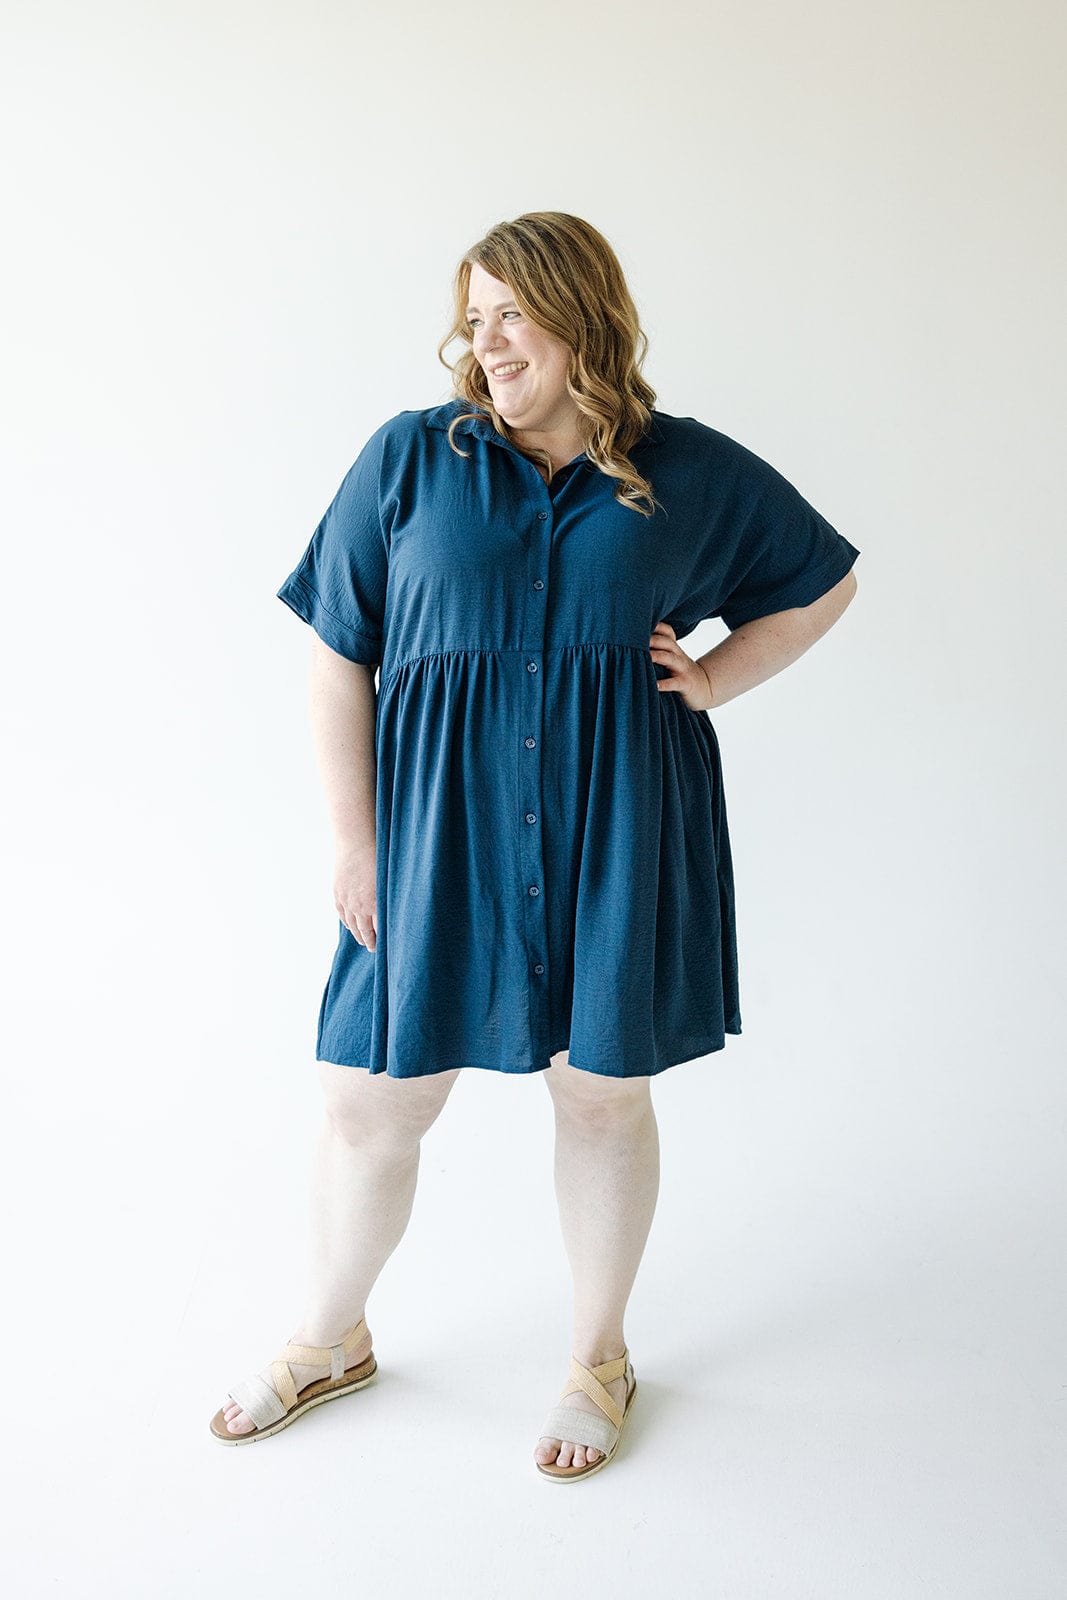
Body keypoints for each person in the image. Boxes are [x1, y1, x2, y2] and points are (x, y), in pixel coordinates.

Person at [209, 212, 860, 1480]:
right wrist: (354, 843)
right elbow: (337, 647)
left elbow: (820, 582)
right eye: (474, 315)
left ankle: (596, 1357)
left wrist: (716, 679)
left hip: (617, 823)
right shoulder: (412, 457)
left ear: (580, 315)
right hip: (433, 833)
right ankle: (327, 1335)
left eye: (511, 312)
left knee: (601, 1095)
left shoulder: (680, 469)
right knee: (365, 1099)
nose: (484, 341)